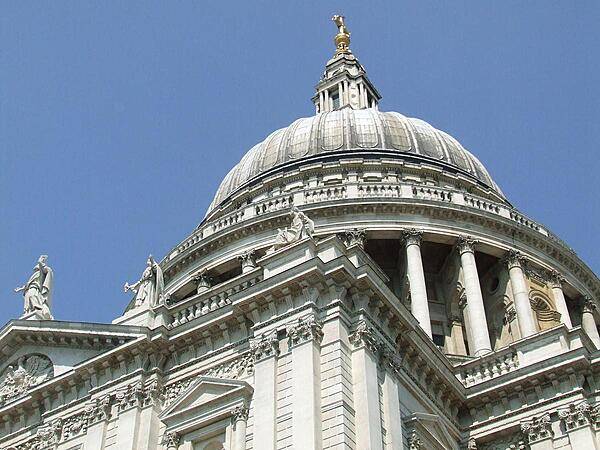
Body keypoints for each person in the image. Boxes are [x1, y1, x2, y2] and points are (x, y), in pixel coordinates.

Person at [14, 255, 53, 319]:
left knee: (32, 296)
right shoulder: (34, 275)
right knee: (28, 300)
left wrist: (40, 261)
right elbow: (27, 285)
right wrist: (20, 289)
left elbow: (42, 266)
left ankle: (37, 308)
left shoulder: (40, 273)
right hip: (29, 289)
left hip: (35, 288)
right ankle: (29, 311)